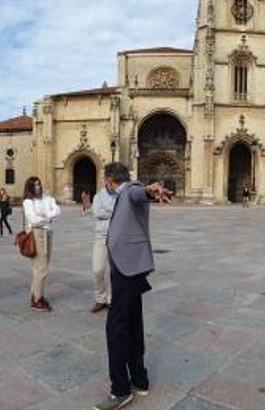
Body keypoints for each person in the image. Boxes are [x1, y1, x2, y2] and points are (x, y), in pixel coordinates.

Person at [94, 162, 171, 410]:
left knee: (115, 328)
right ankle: (140, 379)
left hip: (128, 268)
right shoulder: (126, 193)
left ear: (109, 180)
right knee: (133, 323)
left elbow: (141, 193)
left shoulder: (130, 190)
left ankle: (120, 390)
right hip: (130, 266)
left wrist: (151, 191)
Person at [23, 176, 60, 312]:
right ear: (30, 188)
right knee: (41, 268)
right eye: (35, 185)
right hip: (37, 234)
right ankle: (38, 299)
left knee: (42, 265)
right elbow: (33, 220)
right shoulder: (28, 202)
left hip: (48, 233)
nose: (38, 186)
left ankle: (35, 295)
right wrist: (48, 217)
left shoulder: (48, 198)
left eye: (39, 184)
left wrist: (45, 216)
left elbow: (57, 210)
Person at [82, 185, 115, 314]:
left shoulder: (120, 194)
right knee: (98, 269)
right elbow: (97, 213)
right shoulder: (99, 196)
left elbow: (122, 212)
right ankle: (100, 298)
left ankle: (112, 300)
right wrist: (112, 211)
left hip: (117, 237)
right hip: (100, 237)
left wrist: (105, 210)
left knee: (114, 272)